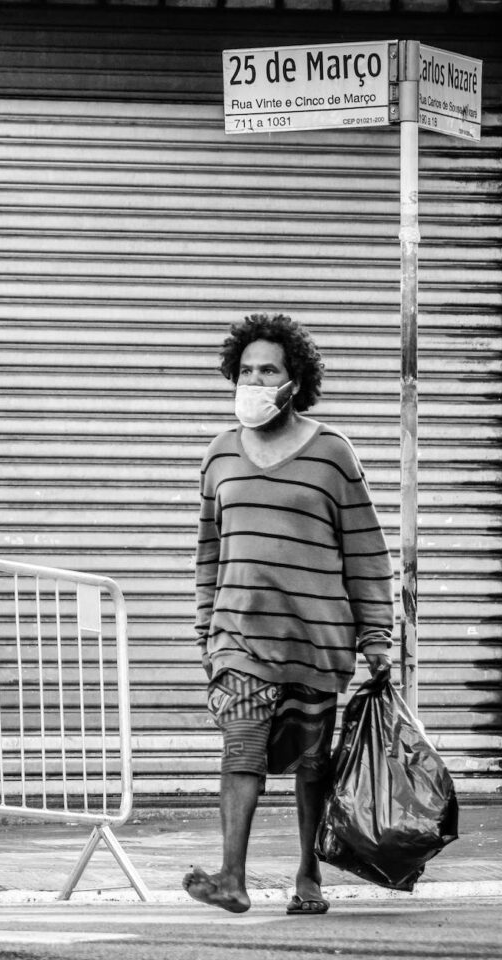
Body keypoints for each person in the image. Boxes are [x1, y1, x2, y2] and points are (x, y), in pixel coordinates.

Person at [184, 313, 394, 917]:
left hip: (318, 640)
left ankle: (308, 873)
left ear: (294, 380)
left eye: (267, 369)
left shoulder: (332, 454)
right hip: (239, 639)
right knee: (241, 749)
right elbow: (209, 551)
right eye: (245, 370)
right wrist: (207, 629)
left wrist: (376, 638)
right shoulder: (219, 455)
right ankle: (232, 878)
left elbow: (365, 550)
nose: (254, 379)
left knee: (312, 763)